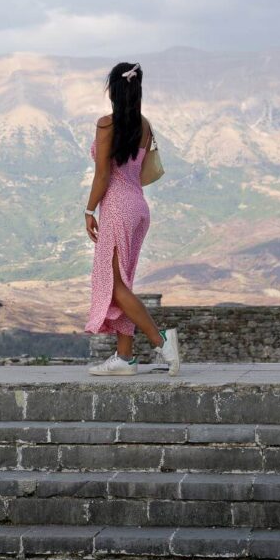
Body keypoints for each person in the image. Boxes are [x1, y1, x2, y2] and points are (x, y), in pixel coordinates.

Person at [83, 61, 180, 376]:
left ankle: (160, 339)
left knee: (113, 285)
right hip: (139, 207)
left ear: (113, 89)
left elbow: (102, 176)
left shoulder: (106, 125)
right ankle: (124, 358)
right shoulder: (145, 125)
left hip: (116, 207)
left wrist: (88, 211)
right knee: (123, 282)